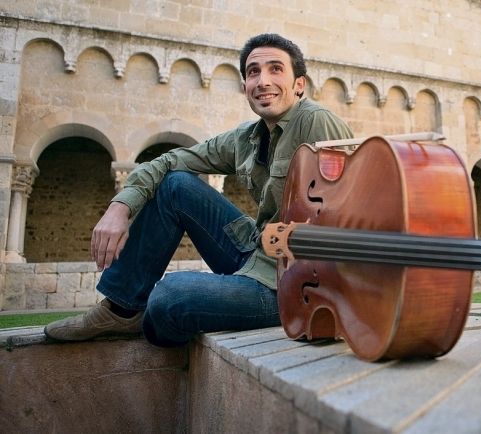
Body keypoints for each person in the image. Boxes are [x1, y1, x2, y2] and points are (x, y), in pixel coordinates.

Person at [45, 33, 353, 346]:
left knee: (170, 296)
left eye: (276, 69)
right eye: (253, 72)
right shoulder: (245, 138)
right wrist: (120, 207)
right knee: (176, 184)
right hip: (257, 251)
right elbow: (168, 161)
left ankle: (166, 315)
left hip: (291, 286)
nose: (262, 81)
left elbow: (351, 211)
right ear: (245, 85)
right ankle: (121, 310)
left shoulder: (316, 122)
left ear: (299, 84)